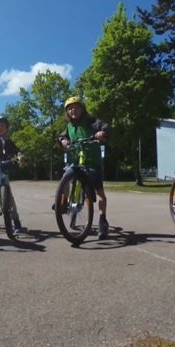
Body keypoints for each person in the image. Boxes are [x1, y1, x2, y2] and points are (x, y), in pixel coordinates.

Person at [57, 96, 110, 240]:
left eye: (76, 107)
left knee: (99, 192)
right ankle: (62, 203)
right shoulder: (69, 126)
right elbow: (61, 136)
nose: (73, 110)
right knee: (65, 178)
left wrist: (101, 133)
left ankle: (102, 220)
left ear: (82, 108)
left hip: (92, 161)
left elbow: (104, 126)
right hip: (75, 161)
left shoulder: (90, 121)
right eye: (70, 108)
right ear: (67, 112)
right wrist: (63, 140)